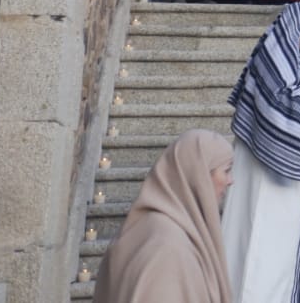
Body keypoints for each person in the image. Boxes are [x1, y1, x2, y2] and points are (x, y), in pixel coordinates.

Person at [223, 3, 300, 302]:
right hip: (259, 175)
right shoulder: (272, 58)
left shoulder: (297, 61)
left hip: (283, 186)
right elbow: (273, 107)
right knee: (254, 247)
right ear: (298, 28)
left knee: (277, 252)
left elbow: (288, 113)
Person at [93, 130, 233, 303]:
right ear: (200, 176)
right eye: (226, 171)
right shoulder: (168, 248)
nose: (230, 181)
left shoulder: (145, 225)